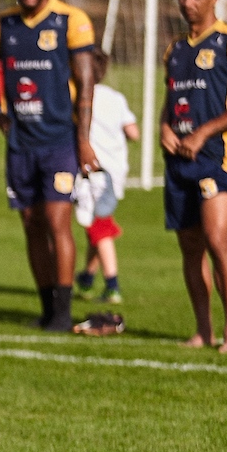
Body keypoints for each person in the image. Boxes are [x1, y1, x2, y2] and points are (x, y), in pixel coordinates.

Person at [0, 0, 97, 332]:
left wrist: (84, 139)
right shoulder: (5, 23)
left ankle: (62, 313)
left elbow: (86, 84)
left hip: (60, 140)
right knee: (31, 223)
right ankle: (46, 308)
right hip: (20, 143)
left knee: (58, 220)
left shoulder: (70, 21)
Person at [161, 0, 227, 354]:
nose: (188, 3)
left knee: (218, 239)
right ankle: (203, 330)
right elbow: (169, 102)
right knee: (190, 247)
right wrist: (163, 128)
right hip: (178, 163)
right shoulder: (175, 49)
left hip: (216, 159)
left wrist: (204, 132)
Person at [75, 47, 139, 305]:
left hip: (93, 174)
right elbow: (133, 132)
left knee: (100, 228)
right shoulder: (116, 97)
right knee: (96, 224)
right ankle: (87, 278)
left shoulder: (79, 99)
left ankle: (112, 285)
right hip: (116, 172)